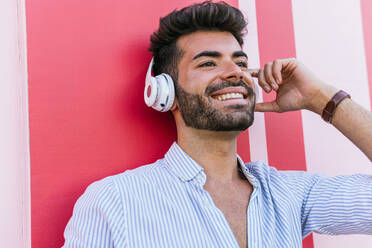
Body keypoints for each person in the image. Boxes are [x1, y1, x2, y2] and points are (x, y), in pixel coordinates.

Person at [62, 1, 372, 247]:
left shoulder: (290, 193)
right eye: (208, 63)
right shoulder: (113, 202)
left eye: (239, 62)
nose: (235, 72)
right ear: (165, 92)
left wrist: (321, 98)